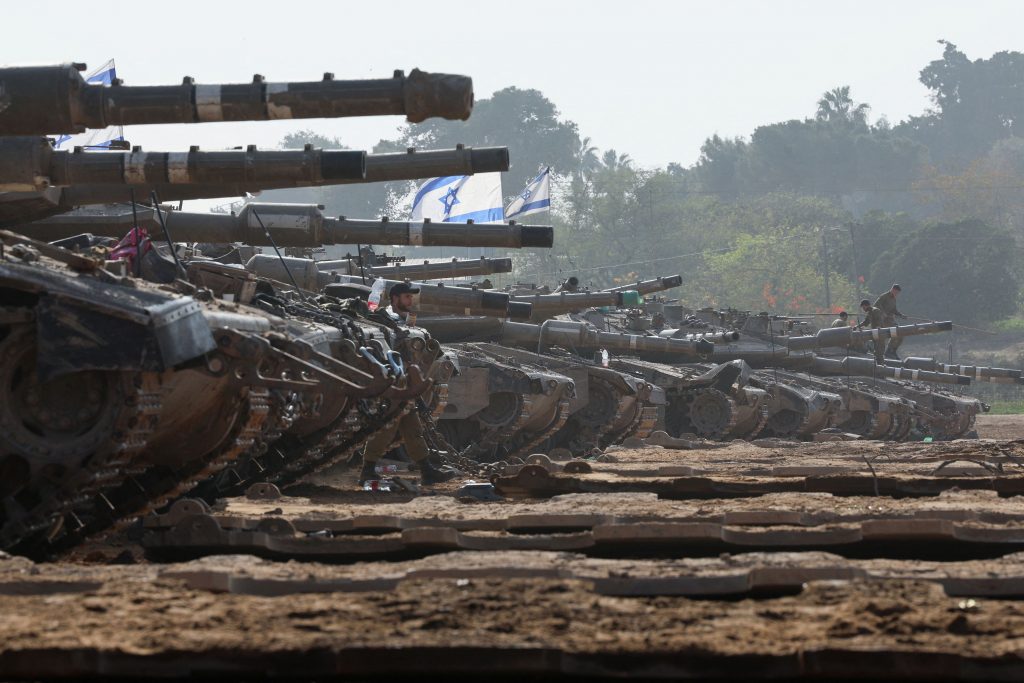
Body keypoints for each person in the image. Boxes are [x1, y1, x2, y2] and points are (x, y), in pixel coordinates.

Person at [359, 281, 454, 486]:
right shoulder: (383, 320)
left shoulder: (407, 322)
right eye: (406, 297)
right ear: (394, 298)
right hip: (393, 383)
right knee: (388, 427)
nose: (410, 301)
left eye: (411, 297)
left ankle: (427, 470)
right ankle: (367, 470)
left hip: (407, 384)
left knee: (412, 429)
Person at [873, 283, 908, 359]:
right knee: (896, 331)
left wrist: (901, 315)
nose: (896, 294)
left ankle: (892, 350)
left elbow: (894, 310)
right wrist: (882, 313)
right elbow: (875, 306)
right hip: (883, 321)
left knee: (901, 334)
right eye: (896, 292)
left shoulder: (893, 299)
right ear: (892, 289)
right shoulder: (884, 296)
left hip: (890, 320)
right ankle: (888, 351)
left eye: (897, 293)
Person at [855, 298, 886, 364]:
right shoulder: (870, 313)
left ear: (866, 305)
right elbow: (866, 322)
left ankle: (881, 369)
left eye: (863, 307)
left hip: (879, 335)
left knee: (879, 353)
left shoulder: (875, 311)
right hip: (875, 335)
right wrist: (857, 326)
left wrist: (878, 327)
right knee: (876, 353)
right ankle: (878, 368)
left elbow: (879, 320)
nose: (863, 309)